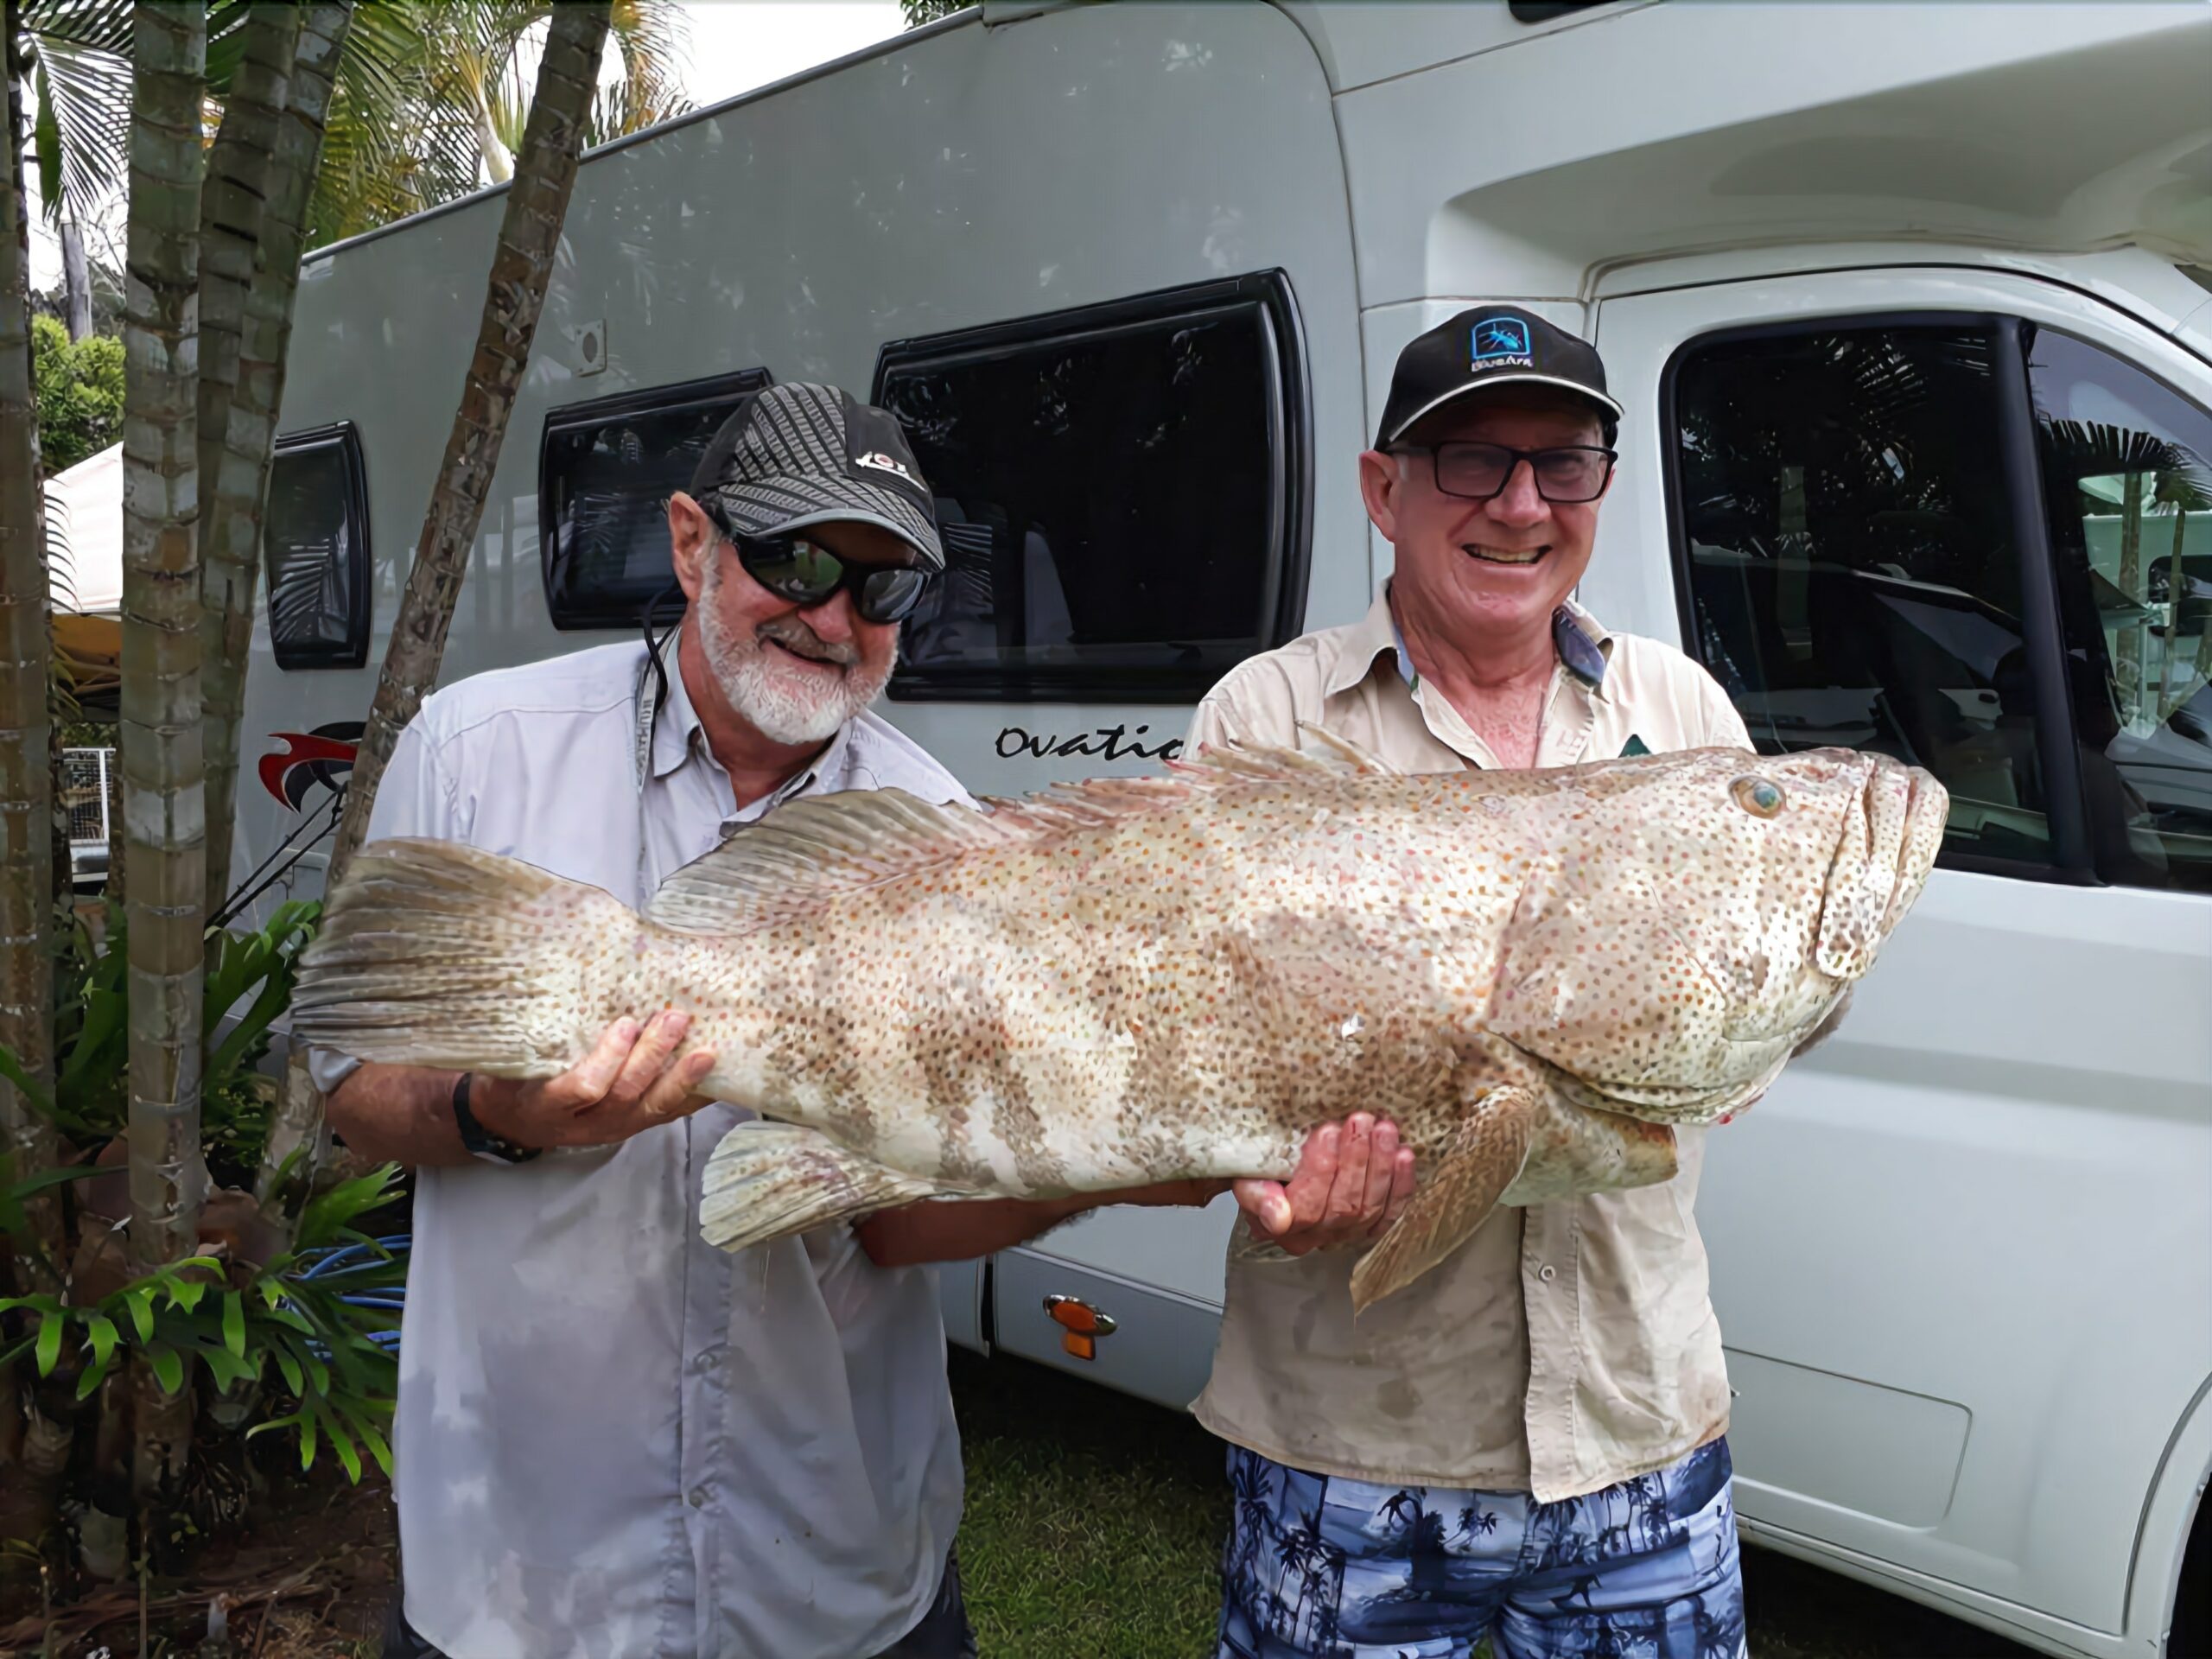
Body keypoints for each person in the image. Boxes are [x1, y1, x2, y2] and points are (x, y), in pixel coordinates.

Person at [318, 384, 1226, 1659]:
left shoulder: (936, 831)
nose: (832, 615)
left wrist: (1129, 1170)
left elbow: (901, 1225)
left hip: (833, 1573)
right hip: (530, 1582)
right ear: (693, 541)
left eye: (883, 588)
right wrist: (500, 1113)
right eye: (795, 558)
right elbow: (354, 1094)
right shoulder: (478, 752)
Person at [1187, 309, 1755, 1659]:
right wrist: (1270, 1173)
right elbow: (1197, 1039)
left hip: (1638, 1433)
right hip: (1354, 1452)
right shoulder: (1265, 724)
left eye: (1563, 464)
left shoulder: (1685, 724)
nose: (1519, 505)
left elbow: (1742, 1005)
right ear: (1385, 488)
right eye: (1472, 462)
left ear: (1602, 489)